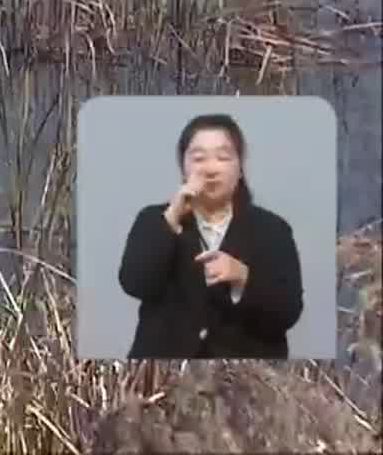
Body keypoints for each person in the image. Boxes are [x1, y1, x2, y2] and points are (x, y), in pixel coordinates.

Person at [117, 113, 303, 359]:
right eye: (198, 158)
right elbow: (134, 282)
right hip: (164, 370)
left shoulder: (272, 229)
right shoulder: (154, 219)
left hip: (246, 375)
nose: (210, 169)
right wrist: (172, 217)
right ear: (183, 167)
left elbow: (288, 311)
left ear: (239, 168)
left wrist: (243, 277)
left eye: (223, 157)